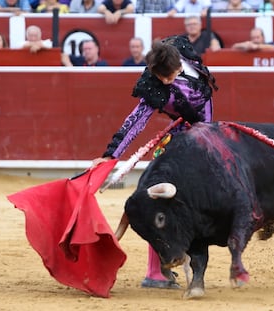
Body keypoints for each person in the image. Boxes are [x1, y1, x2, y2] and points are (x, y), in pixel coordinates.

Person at [92, 35, 217, 289]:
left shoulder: (180, 49)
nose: (167, 80)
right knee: (161, 199)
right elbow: (135, 121)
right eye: (163, 78)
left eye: (171, 75)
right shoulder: (153, 83)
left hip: (205, 136)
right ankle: (156, 271)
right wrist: (111, 154)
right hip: (181, 140)